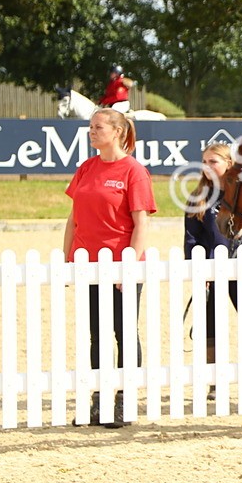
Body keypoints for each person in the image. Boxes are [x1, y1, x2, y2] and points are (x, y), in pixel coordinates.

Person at [63, 109, 157, 427]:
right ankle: (99, 401)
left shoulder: (133, 171)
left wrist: (128, 265)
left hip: (121, 266)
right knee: (97, 336)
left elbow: (141, 222)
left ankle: (123, 402)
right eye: (90, 127)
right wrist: (67, 259)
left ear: (117, 132)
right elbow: (72, 218)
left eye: (98, 127)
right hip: (88, 265)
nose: (91, 131)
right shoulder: (86, 168)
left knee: (124, 333)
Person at [183, 142, 242, 400]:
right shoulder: (198, 198)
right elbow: (191, 239)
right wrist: (199, 271)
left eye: (213, 162)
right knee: (212, 324)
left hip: (241, 267)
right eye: (204, 161)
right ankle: (215, 381)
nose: (207, 167)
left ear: (229, 164)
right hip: (212, 270)